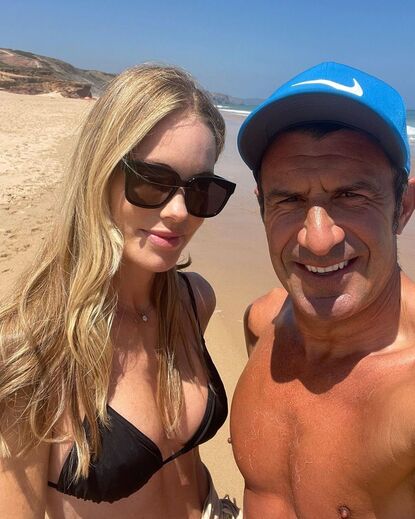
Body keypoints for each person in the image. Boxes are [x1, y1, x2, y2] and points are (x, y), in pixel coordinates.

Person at [0, 64, 240, 519]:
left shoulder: (193, 302)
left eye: (201, 190)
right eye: (152, 180)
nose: (179, 212)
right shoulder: (31, 346)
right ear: (101, 173)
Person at [231, 62, 415, 518]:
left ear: (403, 207)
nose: (317, 239)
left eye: (350, 196)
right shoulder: (263, 322)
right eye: (289, 200)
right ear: (262, 208)